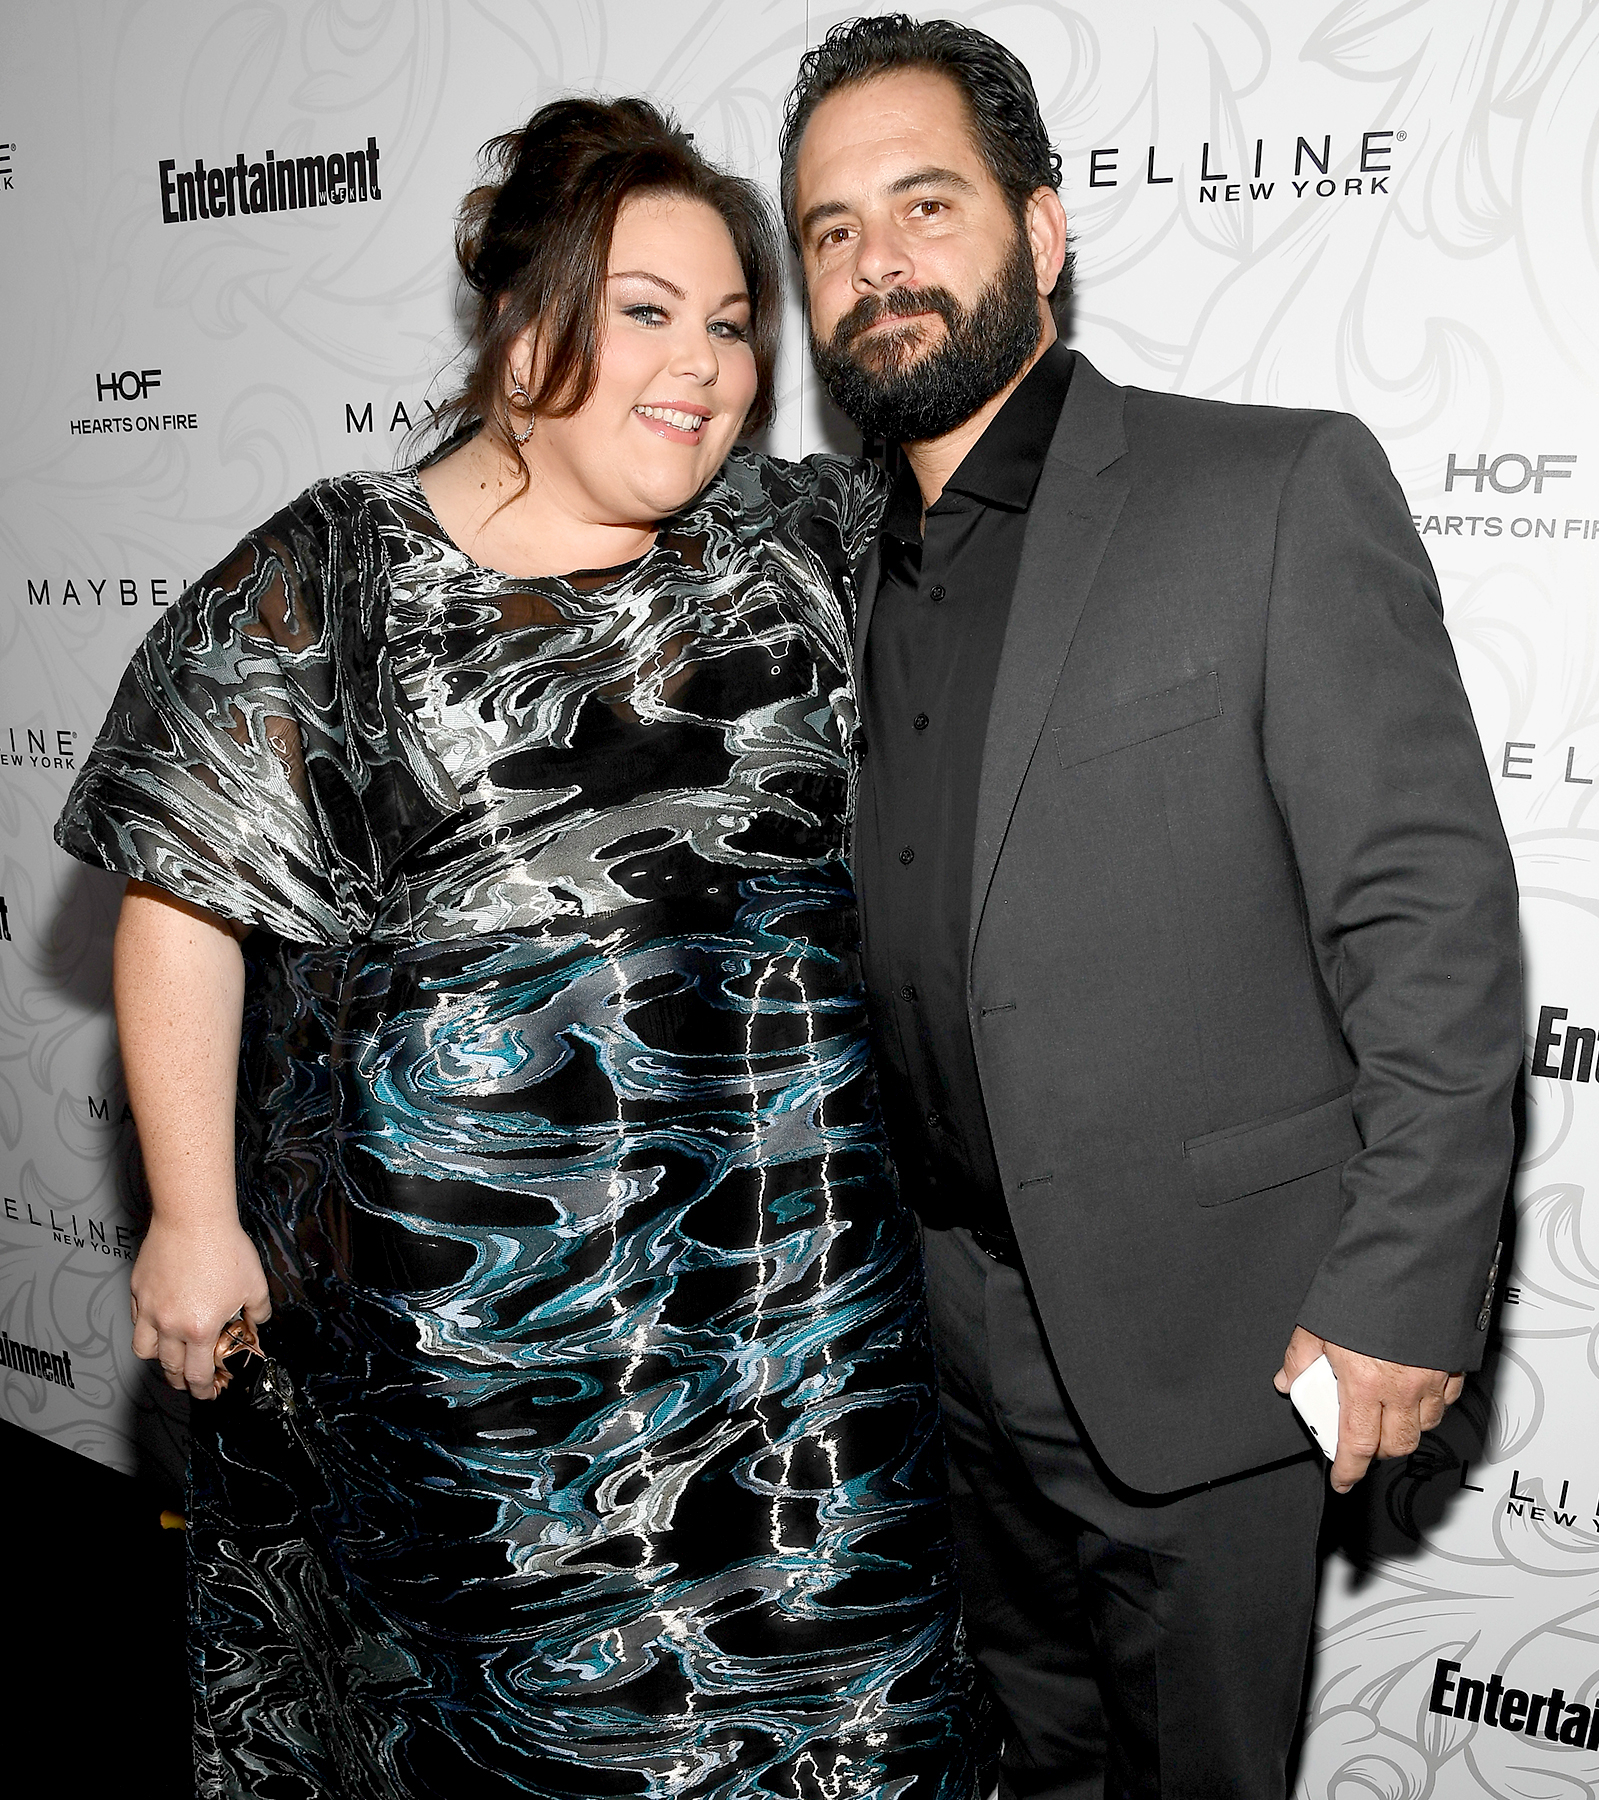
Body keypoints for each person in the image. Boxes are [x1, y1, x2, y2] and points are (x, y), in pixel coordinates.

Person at [57, 97, 988, 1800]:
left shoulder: (797, 547)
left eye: (728, 325)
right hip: (475, 1364)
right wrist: (190, 1221)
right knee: (530, 1749)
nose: (699, 365)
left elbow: (999, 491)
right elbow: (180, 899)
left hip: (804, 1340)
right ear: (523, 320)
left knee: (850, 1737)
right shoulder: (328, 586)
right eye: (646, 311)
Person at [779, 16, 1522, 1798]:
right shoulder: (811, 564)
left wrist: (1405, 1291)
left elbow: (1427, 920)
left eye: (924, 203)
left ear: (1040, 234)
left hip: (1207, 1344)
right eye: (826, 230)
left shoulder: (1263, 490)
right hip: (929, 1341)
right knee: (1023, 1764)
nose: (876, 262)